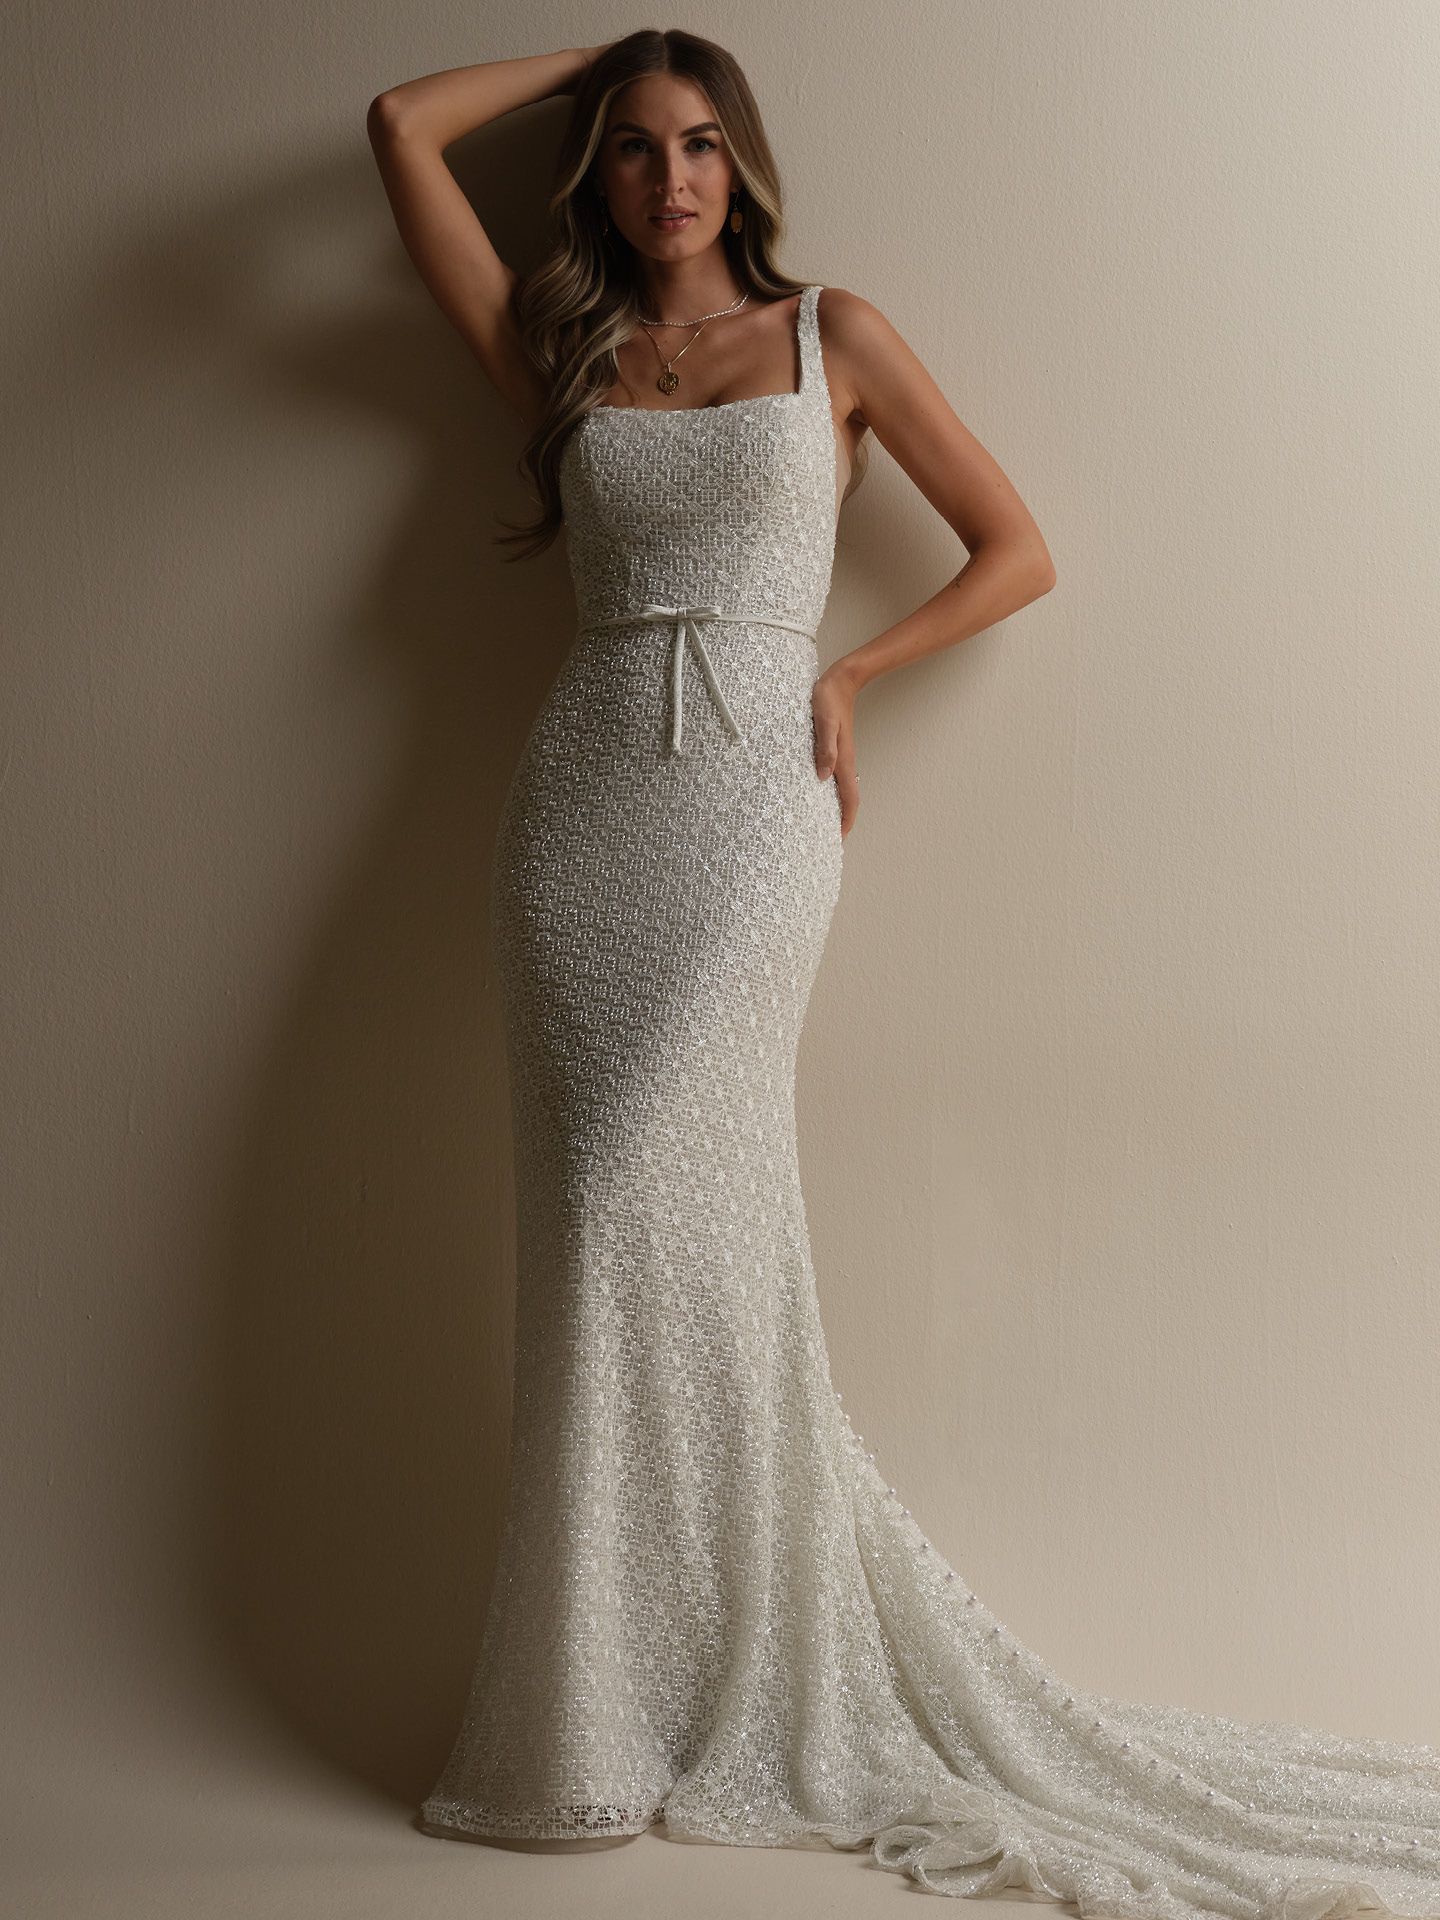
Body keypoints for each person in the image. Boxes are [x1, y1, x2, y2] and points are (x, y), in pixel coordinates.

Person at [367, 30, 1440, 1916]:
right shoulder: (568, 356)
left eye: (703, 143)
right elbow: (397, 128)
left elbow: (1016, 549)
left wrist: (853, 670)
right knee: (595, 1224)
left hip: (754, 810)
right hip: (581, 808)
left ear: (744, 166)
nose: (672, 179)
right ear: (596, 174)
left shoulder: (831, 336)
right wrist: (605, 45)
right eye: (634, 148)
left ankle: (715, 1668)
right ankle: (597, 1711)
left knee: (651, 1196)